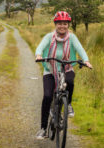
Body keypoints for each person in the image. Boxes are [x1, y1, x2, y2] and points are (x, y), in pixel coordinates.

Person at [35, 11, 92, 139]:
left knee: (70, 81)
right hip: (50, 69)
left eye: (65, 23)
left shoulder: (72, 37)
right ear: (55, 24)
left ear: (68, 25)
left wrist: (86, 60)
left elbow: (80, 49)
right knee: (48, 96)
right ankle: (43, 128)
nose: (62, 26)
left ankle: (69, 104)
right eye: (60, 23)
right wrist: (38, 55)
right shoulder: (49, 37)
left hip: (67, 67)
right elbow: (40, 46)